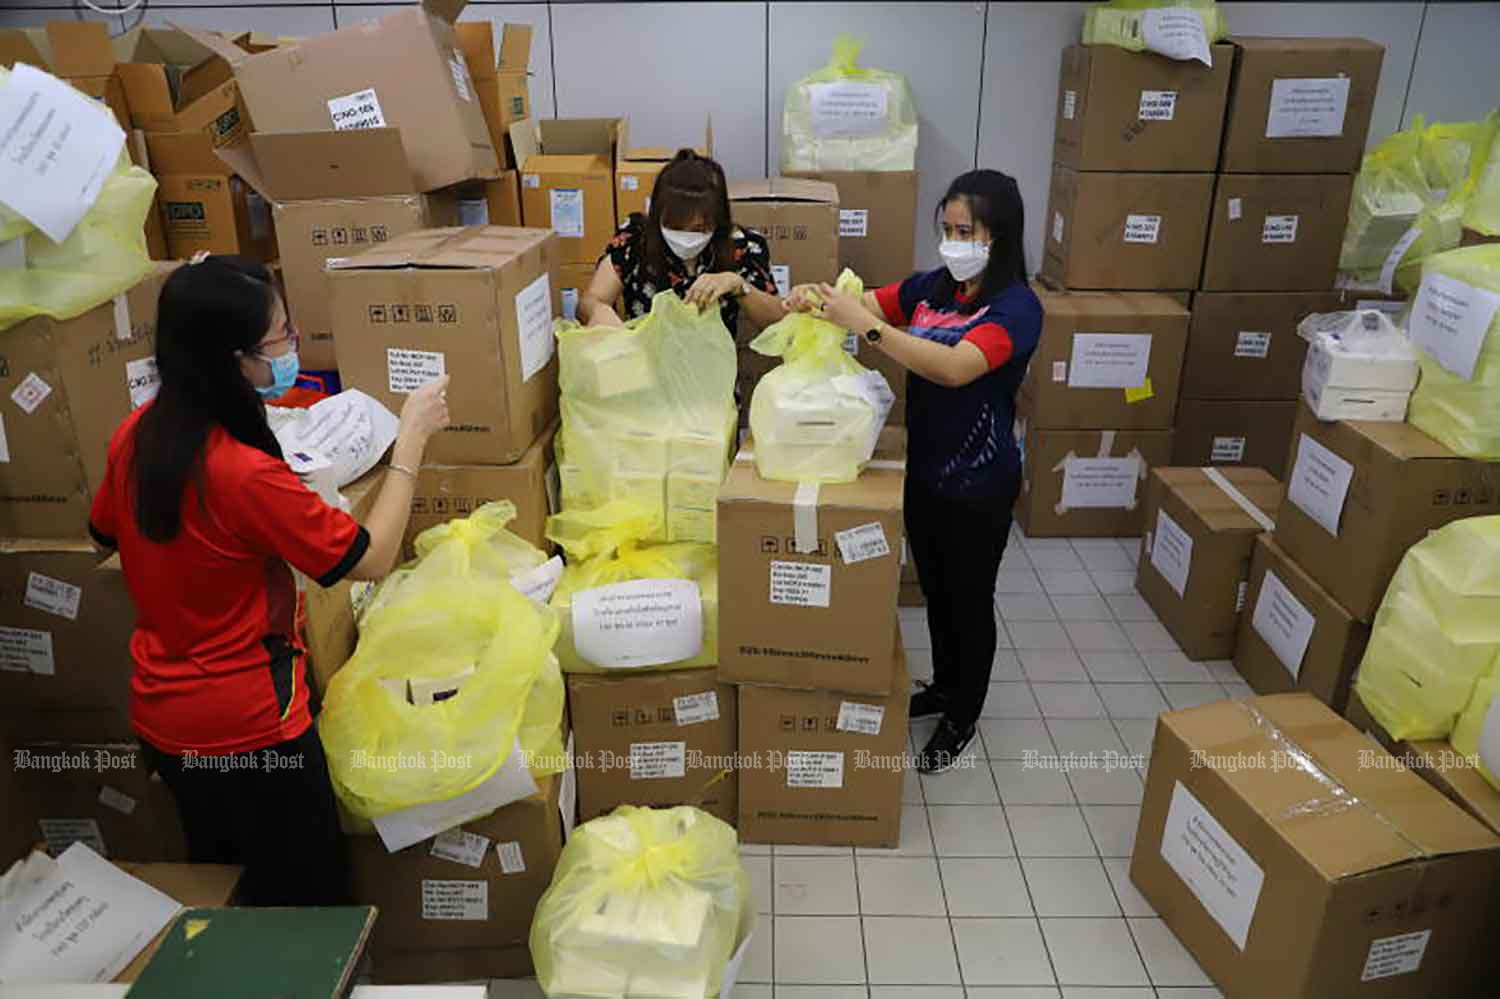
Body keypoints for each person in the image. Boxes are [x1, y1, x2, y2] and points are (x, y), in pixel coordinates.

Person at [87, 256, 451, 905]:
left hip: (166, 722)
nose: (293, 346)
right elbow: (370, 557)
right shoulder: (243, 473)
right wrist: (411, 440)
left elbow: (106, 533)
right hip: (254, 731)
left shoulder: (135, 435)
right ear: (233, 359)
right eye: (280, 338)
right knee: (310, 907)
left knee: (231, 894)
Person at [789, 170, 1042, 774]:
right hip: (926, 473)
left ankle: (963, 714)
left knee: (969, 600)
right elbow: (867, 303)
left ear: (999, 237)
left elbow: (955, 368)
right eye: (947, 230)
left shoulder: (1017, 309)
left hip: (980, 482)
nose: (953, 242)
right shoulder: (934, 288)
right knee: (934, 592)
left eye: (966, 232)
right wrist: (818, 301)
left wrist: (868, 327)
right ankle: (945, 686)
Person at [579, 149, 786, 333]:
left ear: (718, 222)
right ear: (658, 215)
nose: (686, 238)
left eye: (699, 229)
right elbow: (589, 302)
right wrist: (598, 310)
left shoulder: (742, 245)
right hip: (643, 367)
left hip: (714, 370)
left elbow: (777, 322)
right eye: (675, 227)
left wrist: (739, 286)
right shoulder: (634, 240)